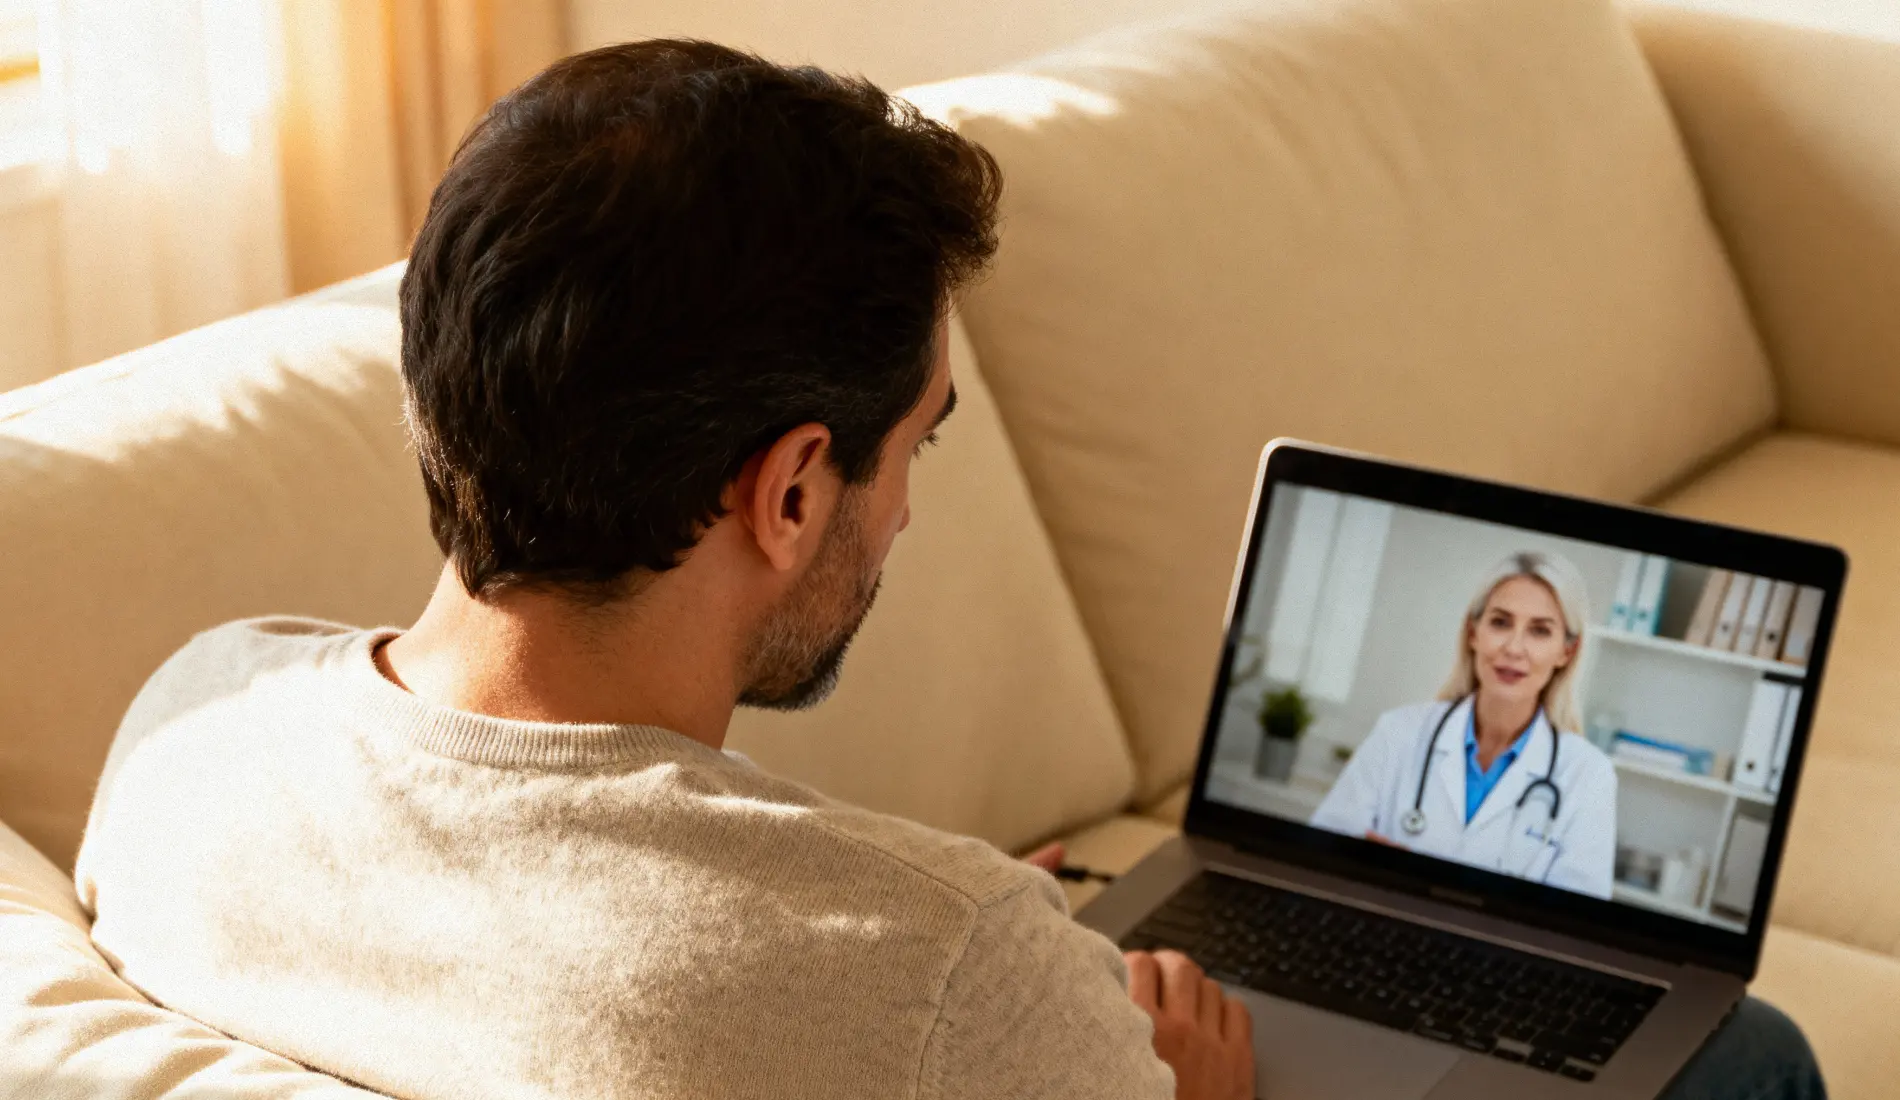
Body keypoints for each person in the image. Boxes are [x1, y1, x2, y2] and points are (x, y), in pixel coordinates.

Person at [72, 40, 1819, 1100]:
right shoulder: (952, 970)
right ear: (789, 489)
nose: (907, 514)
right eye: (921, 445)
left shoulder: (184, 727)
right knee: (1746, 1061)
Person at [1310, 552, 1618, 897]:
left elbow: (1577, 922)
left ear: (1566, 652)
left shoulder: (1588, 776)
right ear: (1473, 633)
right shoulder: (1398, 732)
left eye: (1539, 631)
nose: (1514, 648)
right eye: (1500, 623)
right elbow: (1321, 854)